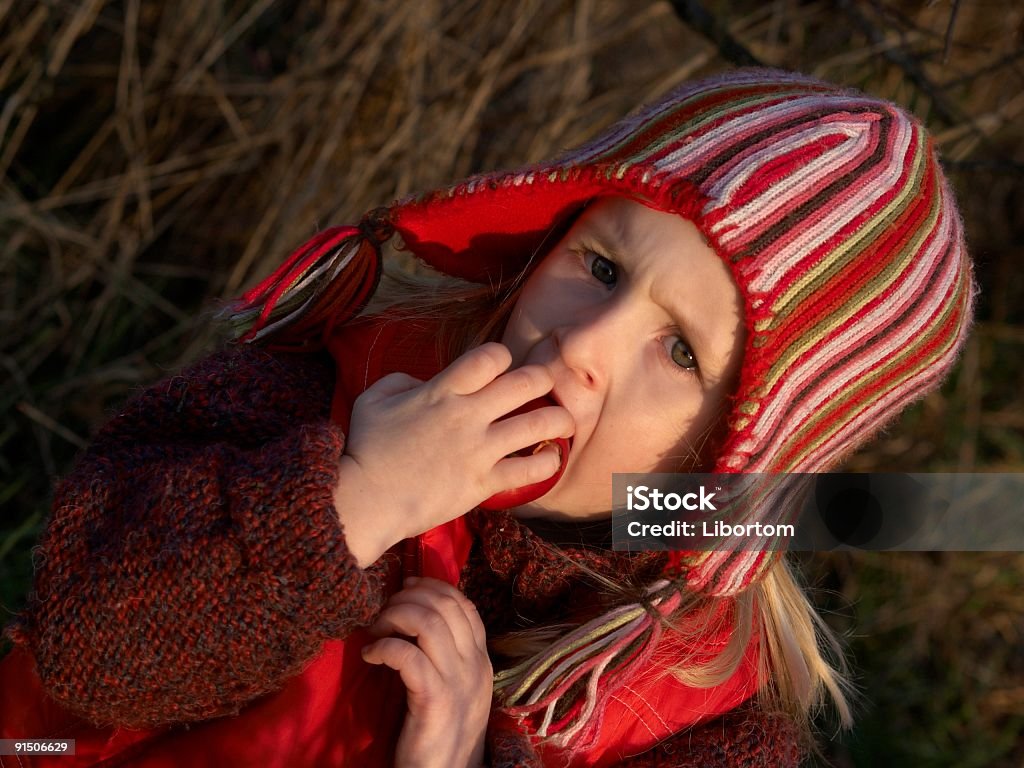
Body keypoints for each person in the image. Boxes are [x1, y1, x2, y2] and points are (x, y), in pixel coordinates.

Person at [0, 68, 974, 767]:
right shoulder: (314, 400)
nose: (583, 346)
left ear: (742, 453)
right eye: (599, 268)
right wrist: (353, 505)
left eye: (680, 352)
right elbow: (87, 655)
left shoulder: (710, 727)